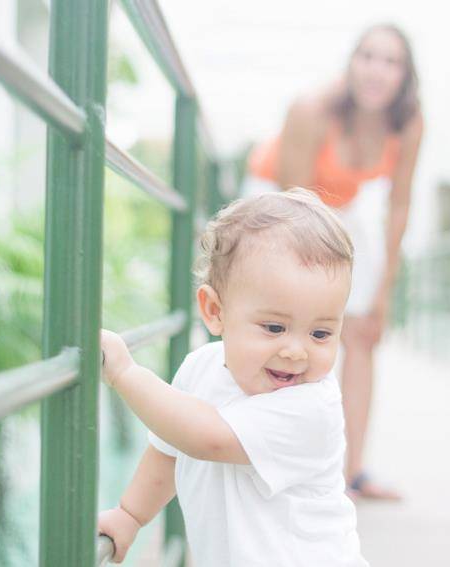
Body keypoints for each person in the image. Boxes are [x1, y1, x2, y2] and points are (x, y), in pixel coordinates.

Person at [97, 189, 369, 566]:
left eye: (321, 334)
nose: (296, 351)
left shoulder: (311, 407)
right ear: (214, 311)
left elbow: (206, 438)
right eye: (274, 327)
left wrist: (125, 373)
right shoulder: (200, 367)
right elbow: (169, 450)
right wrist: (130, 515)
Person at [245, 23, 424, 500]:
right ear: (351, 63)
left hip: (336, 208)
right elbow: (294, 206)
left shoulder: (407, 122)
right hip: (278, 201)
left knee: (363, 333)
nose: (376, 70)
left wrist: (382, 291)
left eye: (391, 61)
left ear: (405, 76)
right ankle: (277, 460)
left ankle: (352, 471)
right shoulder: (311, 108)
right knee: (288, 324)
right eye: (367, 56)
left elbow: (400, 204)